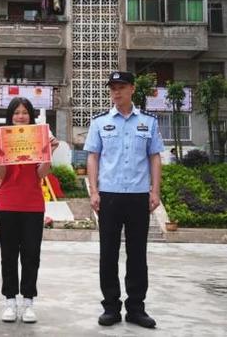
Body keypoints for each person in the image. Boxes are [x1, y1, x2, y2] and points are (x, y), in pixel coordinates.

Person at [84, 71, 164, 329]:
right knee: (108, 253)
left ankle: (136, 308)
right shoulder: (99, 122)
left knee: (137, 254)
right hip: (109, 196)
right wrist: (94, 191)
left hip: (138, 195)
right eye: (112, 88)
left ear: (132, 88)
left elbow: (154, 157)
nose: (116, 92)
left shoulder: (148, 122)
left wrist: (155, 191)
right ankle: (111, 307)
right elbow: (93, 157)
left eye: (121, 87)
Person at [0, 97, 59, 323]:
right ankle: (9, 301)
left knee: (31, 256)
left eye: (25, 113)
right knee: (8, 256)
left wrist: (49, 153)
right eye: (16, 113)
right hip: (7, 204)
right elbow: (0, 176)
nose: (20, 116)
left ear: (31, 117)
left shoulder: (38, 140)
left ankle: (28, 301)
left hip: (33, 205)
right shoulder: (1, 139)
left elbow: (41, 174)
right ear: (10, 117)